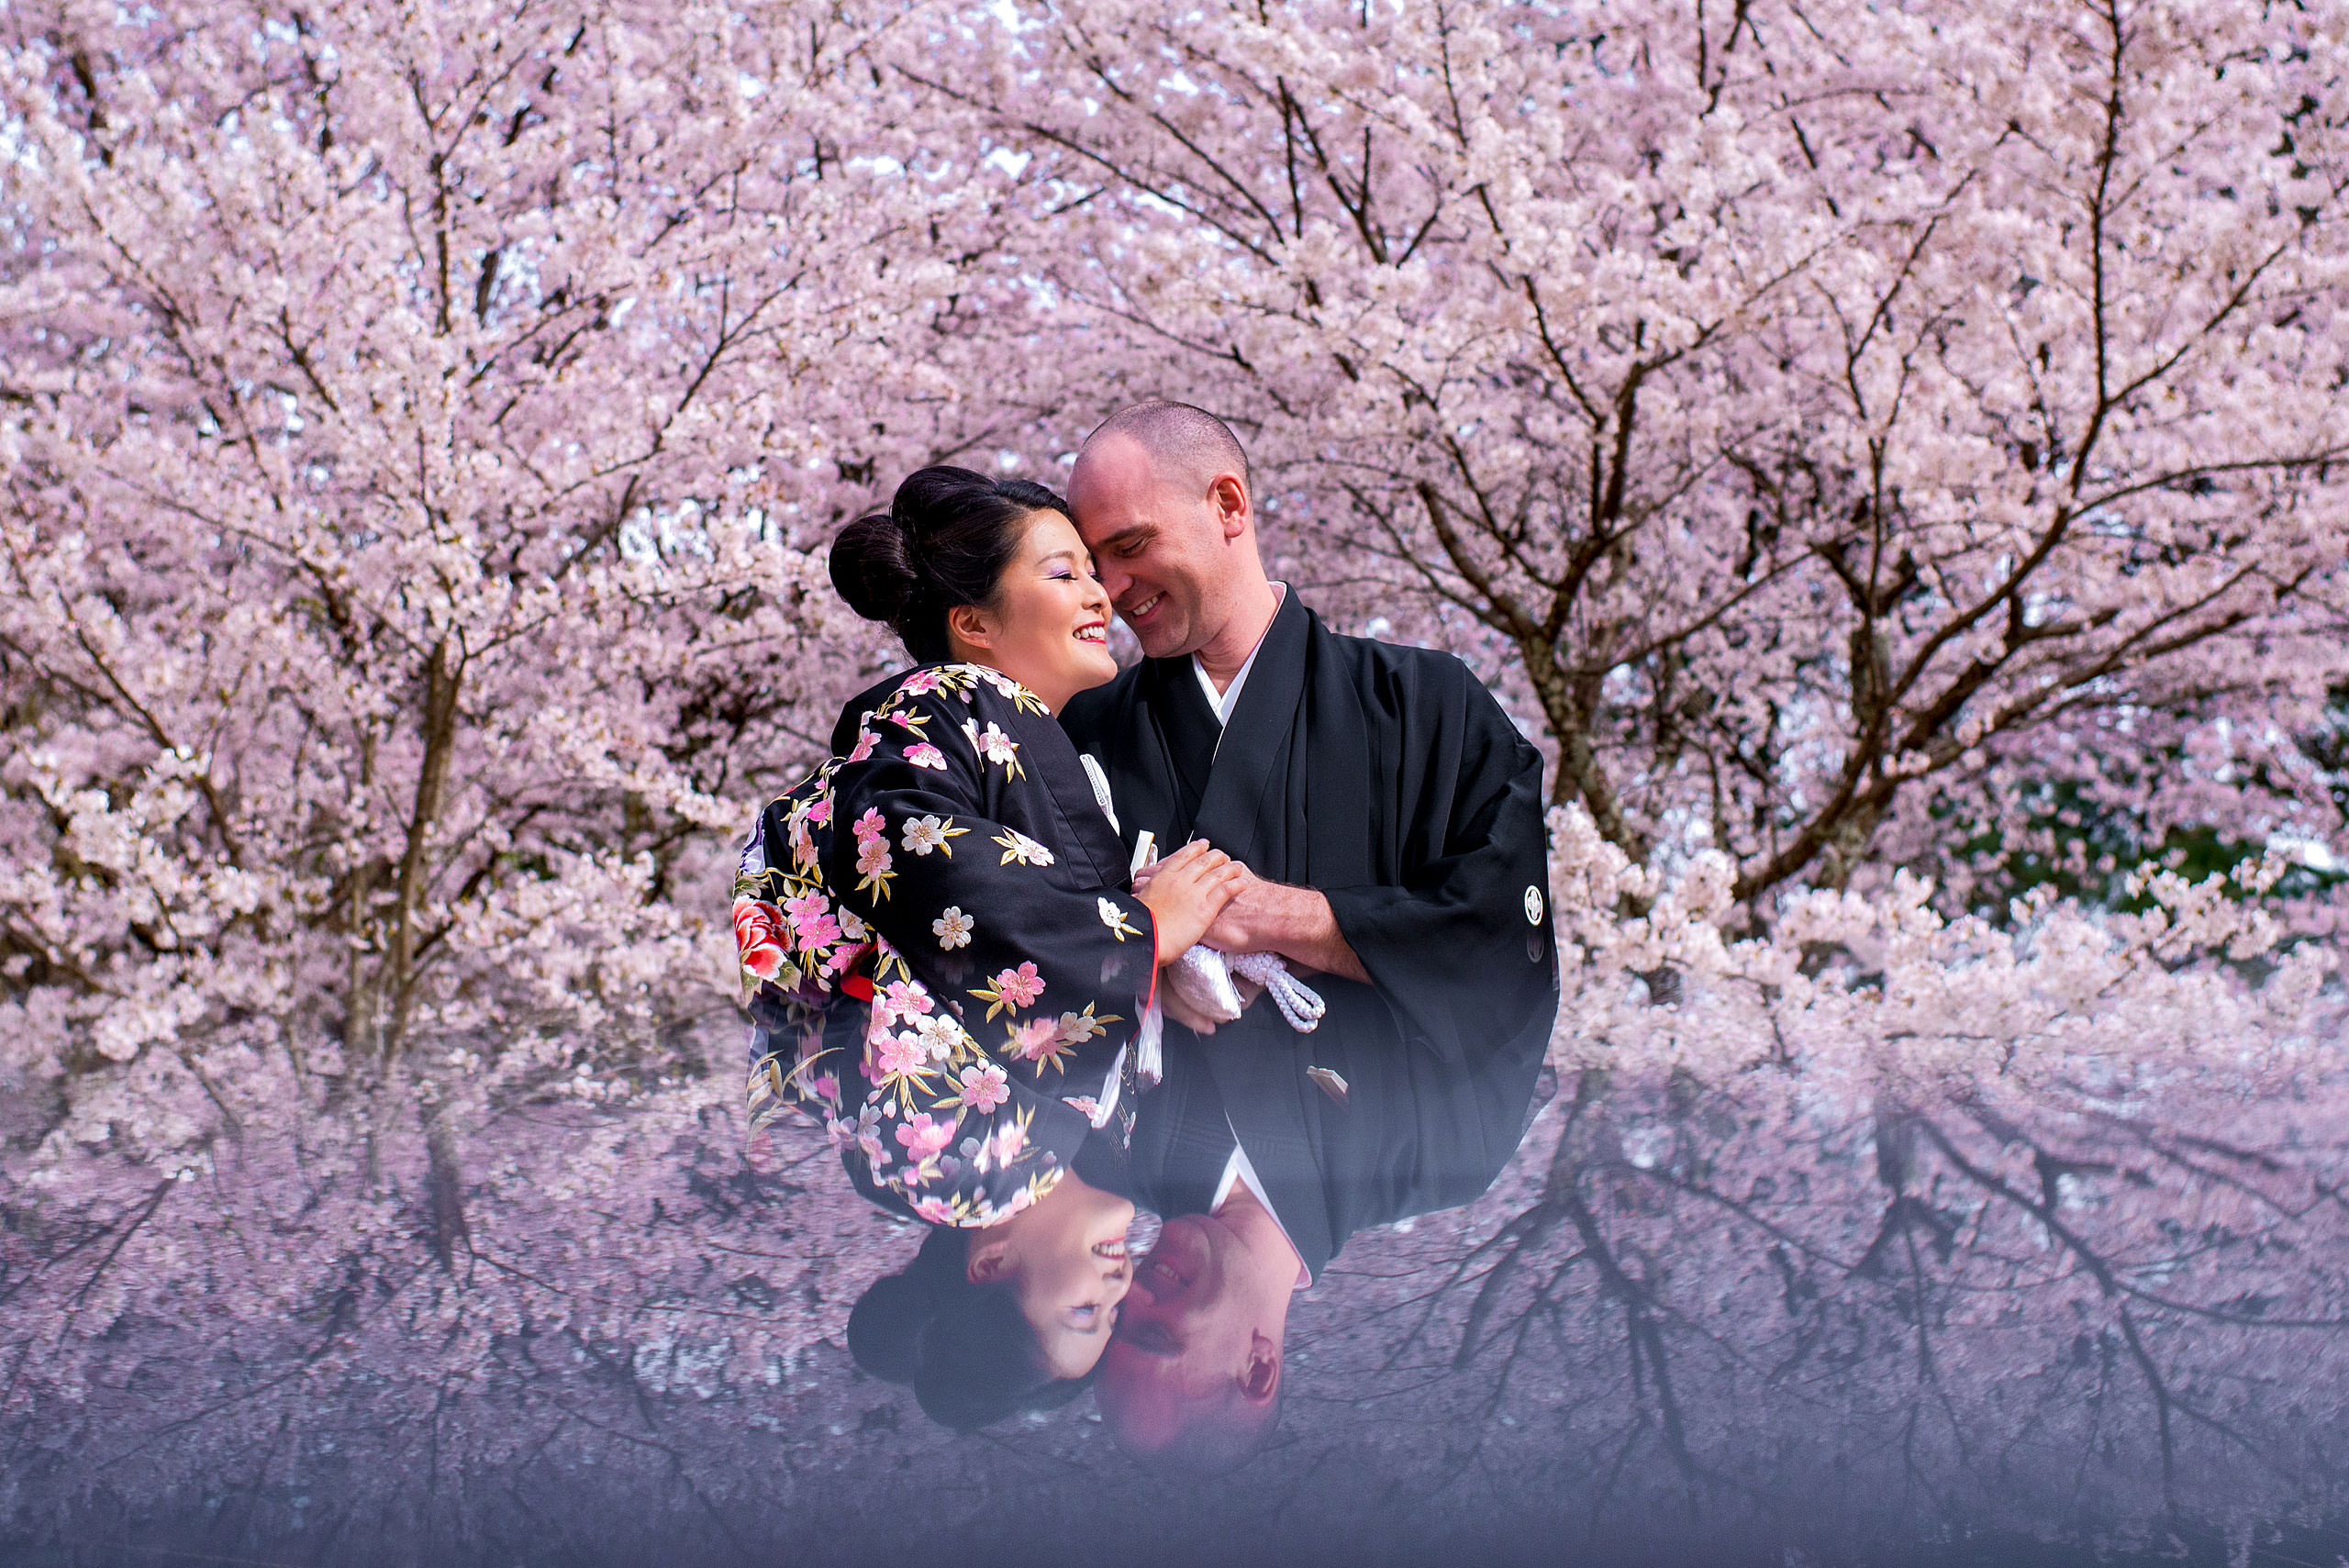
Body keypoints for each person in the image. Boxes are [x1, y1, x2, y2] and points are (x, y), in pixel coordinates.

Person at [1060, 403, 1562, 1471]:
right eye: (1090, 559)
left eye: (1130, 544)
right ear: (1255, 1363)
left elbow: (1505, 954)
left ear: (1229, 506)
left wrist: (1283, 917)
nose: (1107, 590)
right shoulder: (1444, 1162)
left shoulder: (1427, 709)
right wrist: (1140, 953)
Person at [732, 465, 1247, 1430]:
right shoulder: (936, 721)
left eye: (1083, 1308)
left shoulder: (957, 1161)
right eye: (1066, 574)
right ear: (974, 621)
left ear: (992, 1264)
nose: (1101, 594)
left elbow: (943, 887)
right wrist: (1140, 936)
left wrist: (1130, 947)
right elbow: (926, 869)